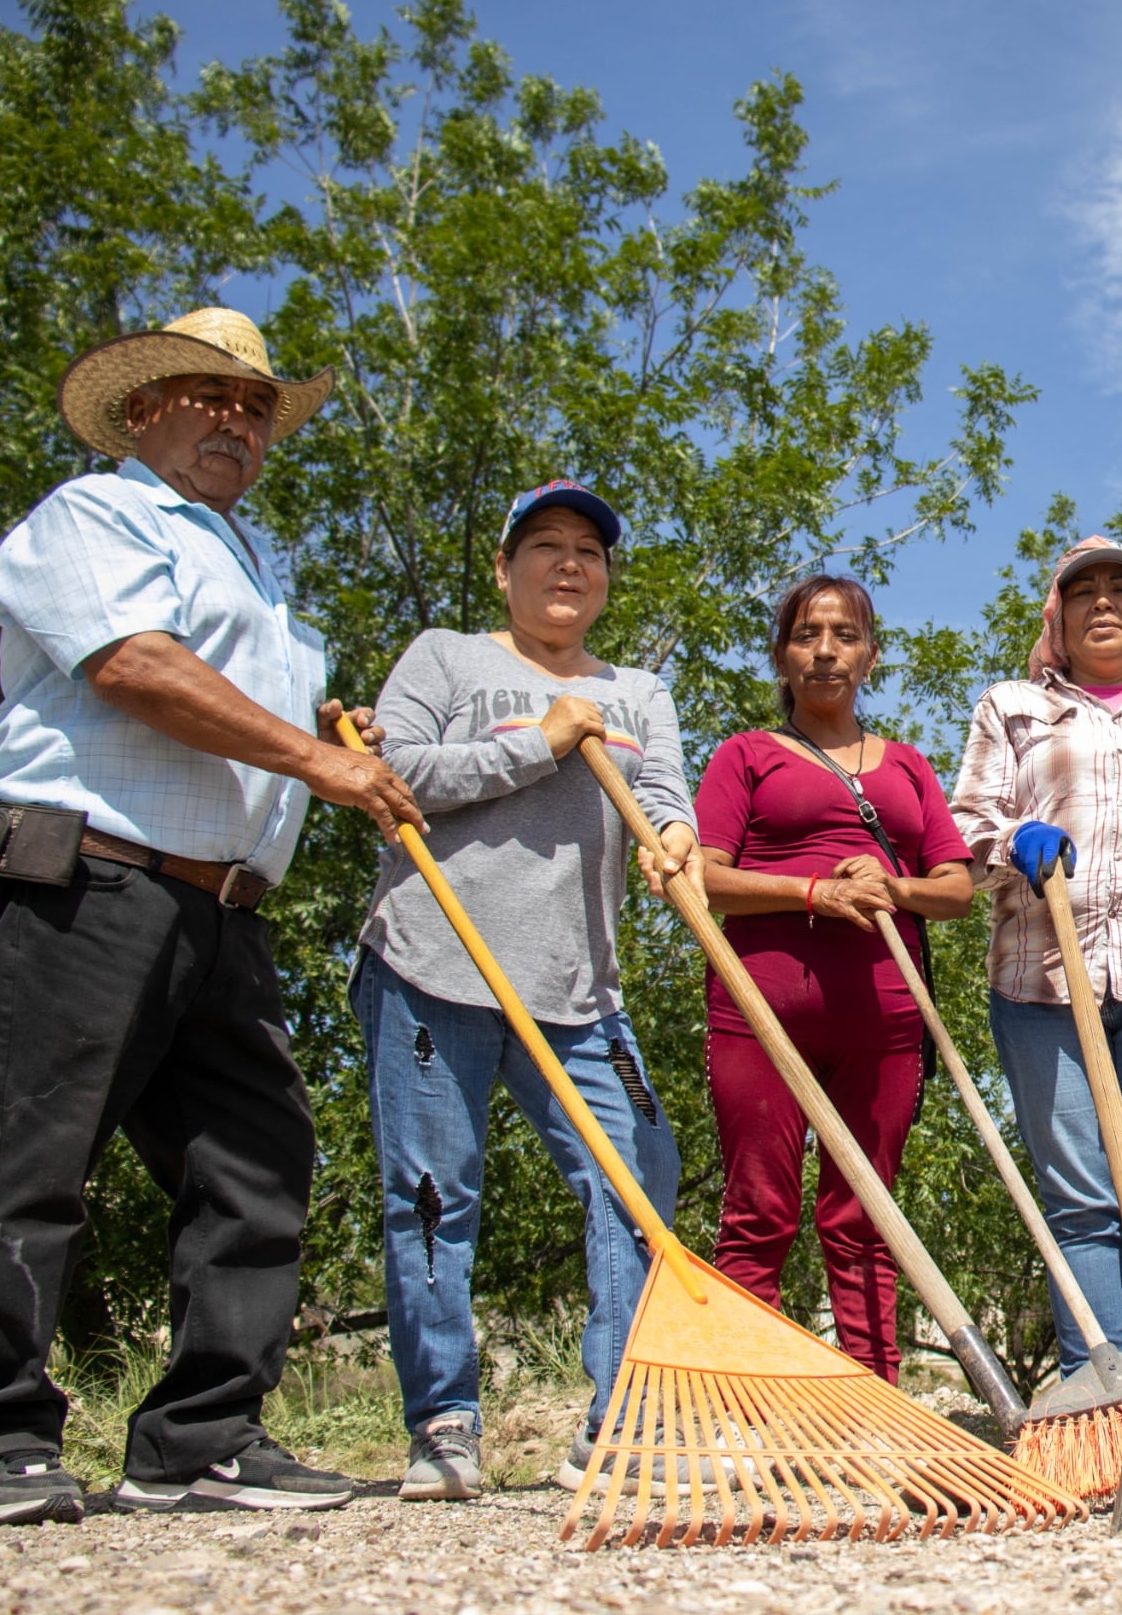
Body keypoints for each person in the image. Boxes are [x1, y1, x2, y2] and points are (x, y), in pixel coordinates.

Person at [0, 309, 423, 1526]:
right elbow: (132, 667)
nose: (239, 424)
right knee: (33, 1151)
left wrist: (326, 724)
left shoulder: (248, 561)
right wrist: (315, 758)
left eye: (256, 411)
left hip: (218, 899)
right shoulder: (93, 514)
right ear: (142, 409)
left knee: (256, 1156)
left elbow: (228, 681)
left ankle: (200, 1436)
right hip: (87, 866)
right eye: (212, 399)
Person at [353, 478, 694, 1499]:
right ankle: (445, 1424)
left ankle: (619, 1419)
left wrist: (675, 837)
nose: (568, 564)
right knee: (430, 1195)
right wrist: (538, 743)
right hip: (432, 962)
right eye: (544, 546)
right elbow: (394, 774)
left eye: (588, 551)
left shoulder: (638, 690)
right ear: (505, 569)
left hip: (580, 984)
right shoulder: (445, 656)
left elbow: (666, 794)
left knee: (640, 1178)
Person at [950, 538, 1122, 1369]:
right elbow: (961, 829)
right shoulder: (1012, 707)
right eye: (1083, 593)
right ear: (1057, 616)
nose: (1103, 604)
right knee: (1079, 1204)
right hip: (1041, 983)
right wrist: (1011, 837)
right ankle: (1097, 1392)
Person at [693, 574, 973, 1382]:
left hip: (885, 1018)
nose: (825, 652)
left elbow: (955, 889)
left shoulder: (909, 767)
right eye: (807, 635)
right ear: (782, 656)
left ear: (871, 655)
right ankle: (746, 1403)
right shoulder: (744, 756)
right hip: (760, 1012)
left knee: (866, 1216)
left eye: (844, 635)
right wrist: (813, 891)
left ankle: (873, 1397)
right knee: (760, 1210)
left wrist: (894, 887)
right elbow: (705, 879)